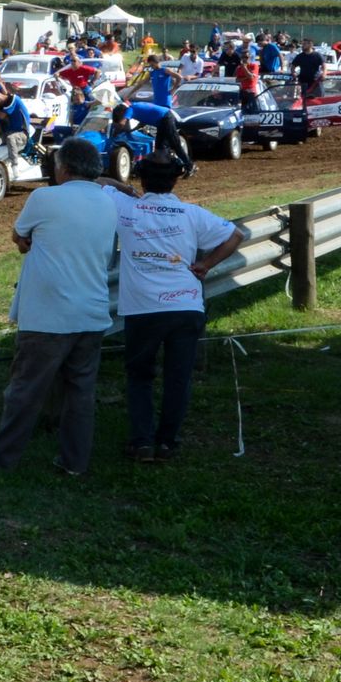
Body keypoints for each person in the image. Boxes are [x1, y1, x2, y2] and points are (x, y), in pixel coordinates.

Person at [0, 138, 121, 476]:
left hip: (48, 316)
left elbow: (19, 235)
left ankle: (2, 456)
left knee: (25, 390)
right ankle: (74, 462)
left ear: (63, 168)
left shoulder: (44, 197)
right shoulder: (108, 203)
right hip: (92, 312)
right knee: (80, 394)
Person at [114, 154, 243, 461]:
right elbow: (235, 235)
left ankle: (142, 441)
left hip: (142, 308)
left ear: (141, 178)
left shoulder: (126, 207)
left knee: (140, 374)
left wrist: (128, 190)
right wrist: (205, 265)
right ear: (175, 180)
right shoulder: (191, 213)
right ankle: (168, 442)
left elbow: (98, 183)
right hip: (186, 305)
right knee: (178, 376)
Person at [113, 99, 191, 175]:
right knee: (159, 147)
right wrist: (131, 130)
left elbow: (122, 123)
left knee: (175, 144)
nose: (120, 116)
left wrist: (115, 133)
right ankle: (164, 168)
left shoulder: (130, 110)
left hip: (165, 118)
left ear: (122, 112)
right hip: (162, 120)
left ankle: (189, 166)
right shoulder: (135, 106)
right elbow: (142, 123)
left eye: (119, 115)